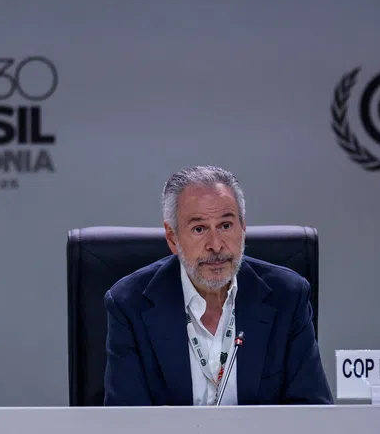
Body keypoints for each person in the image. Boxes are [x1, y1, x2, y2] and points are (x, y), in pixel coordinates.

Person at [104, 166, 333, 406]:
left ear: (243, 229)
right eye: (199, 229)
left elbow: (312, 414)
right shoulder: (129, 305)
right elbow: (127, 426)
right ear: (173, 238)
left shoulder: (288, 297)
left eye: (225, 226)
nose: (215, 245)